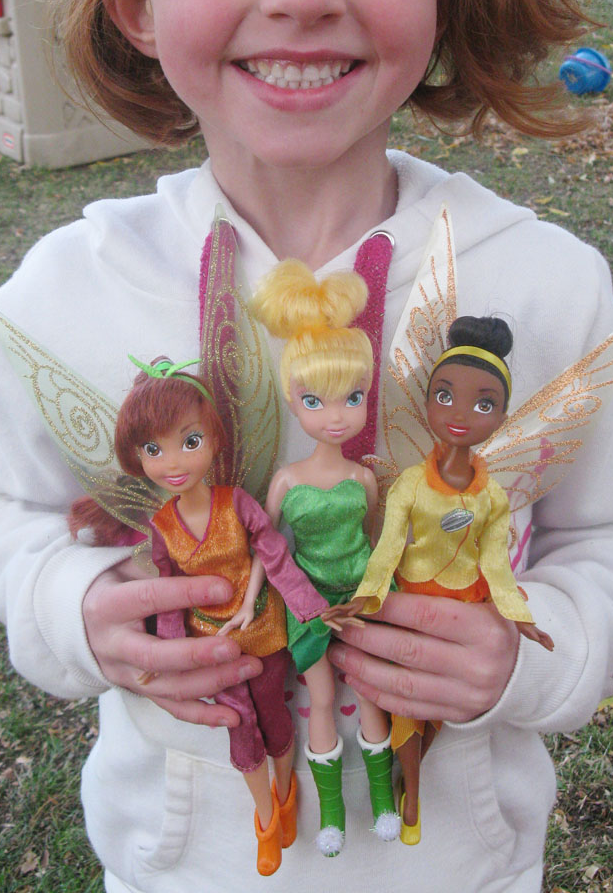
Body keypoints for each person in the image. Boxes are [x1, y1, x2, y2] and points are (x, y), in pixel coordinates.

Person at [0, 0, 613, 893]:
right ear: (137, 2)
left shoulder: (544, 282)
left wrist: (535, 655)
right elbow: (4, 506)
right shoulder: (64, 297)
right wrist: (69, 602)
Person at [68, 354, 329, 876]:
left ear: (213, 439)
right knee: (240, 727)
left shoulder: (238, 504)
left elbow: (272, 552)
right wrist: (167, 653)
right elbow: (169, 592)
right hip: (211, 643)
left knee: (275, 718)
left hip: (263, 629)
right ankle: (264, 819)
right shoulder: (163, 527)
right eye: (153, 449)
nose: (173, 462)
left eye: (189, 442)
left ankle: (285, 793)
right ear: (137, 457)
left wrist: (304, 605)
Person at [325, 315, 555, 846]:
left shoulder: (491, 497)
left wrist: (521, 619)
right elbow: (388, 547)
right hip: (410, 597)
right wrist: (365, 596)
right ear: (426, 401)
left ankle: (414, 781)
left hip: (466, 608)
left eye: (483, 404)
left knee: (436, 712)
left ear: (502, 417)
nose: (459, 414)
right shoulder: (410, 483)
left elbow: (496, 564)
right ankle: (413, 792)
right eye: (445, 396)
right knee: (406, 708)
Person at [250, 260, 399, 856]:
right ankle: (331, 814)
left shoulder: (364, 478)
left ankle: (384, 799)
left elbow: (373, 534)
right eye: (316, 401)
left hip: (358, 592)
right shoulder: (286, 481)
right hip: (308, 600)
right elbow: (269, 546)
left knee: (370, 688)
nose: (336, 417)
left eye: (352, 398)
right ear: (293, 400)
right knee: (320, 694)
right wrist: (251, 598)